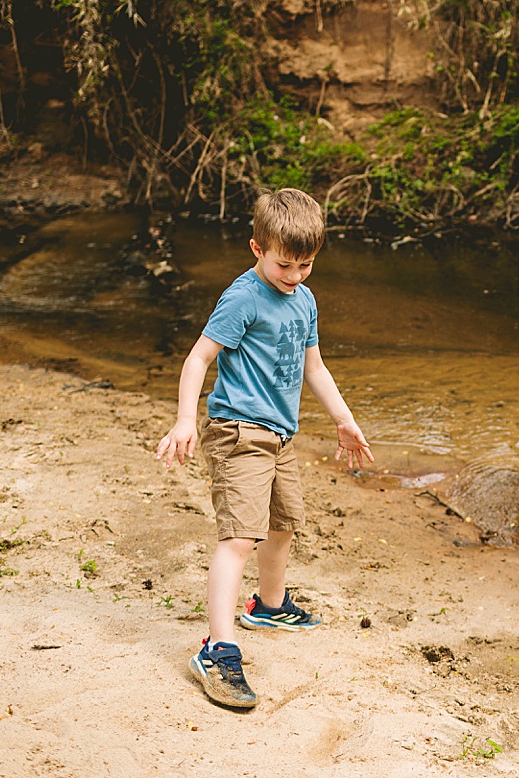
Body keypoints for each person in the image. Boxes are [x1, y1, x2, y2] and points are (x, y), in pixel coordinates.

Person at [155, 187, 374, 710]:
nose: (295, 276)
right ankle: (218, 648)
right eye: (285, 265)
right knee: (239, 537)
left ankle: (270, 606)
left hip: (281, 435)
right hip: (238, 433)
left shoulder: (305, 300)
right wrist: (187, 418)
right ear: (257, 248)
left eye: (306, 265)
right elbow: (197, 359)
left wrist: (344, 420)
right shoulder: (243, 297)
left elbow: (315, 368)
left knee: (283, 523)